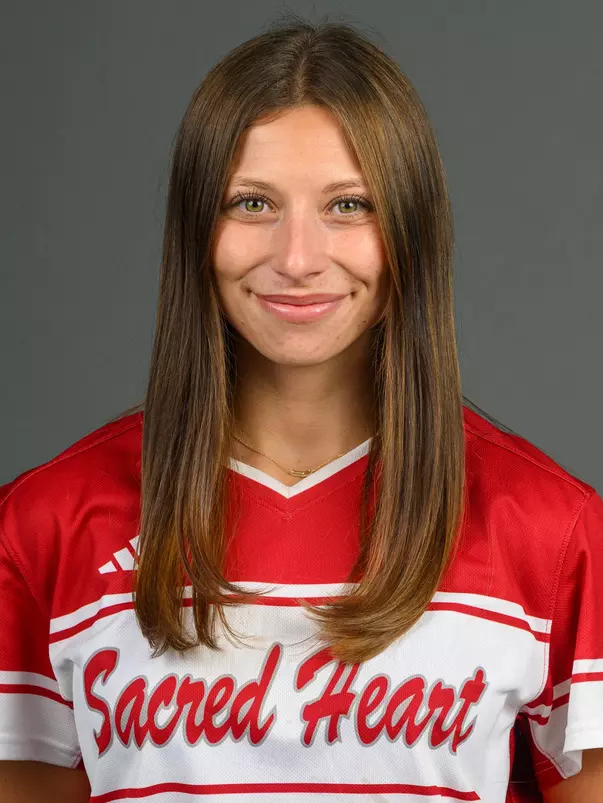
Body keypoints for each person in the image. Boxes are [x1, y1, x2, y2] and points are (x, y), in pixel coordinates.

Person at [0, 13, 602, 803]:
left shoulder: (552, 531)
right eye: (251, 203)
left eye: (348, 205)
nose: (295, 258)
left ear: (410, 232)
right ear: (195, 232)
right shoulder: (47, 522)